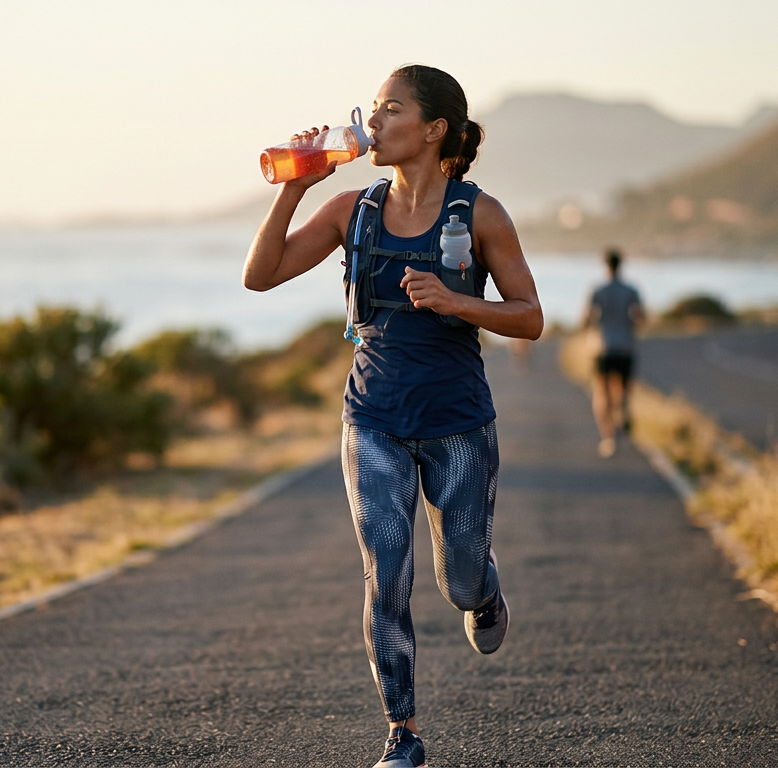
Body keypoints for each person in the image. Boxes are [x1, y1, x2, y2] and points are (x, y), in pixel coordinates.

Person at [242, 65, 543, 768]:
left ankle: (485, 590)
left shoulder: (481, 214)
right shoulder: (354, 209)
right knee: (387, 572)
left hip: (459, 422)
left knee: (458, 578)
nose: (372, 123)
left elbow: (529, 318)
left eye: (390, 111)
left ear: (434, 130)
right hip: (371, 417)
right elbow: (260, 275)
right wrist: (295, 187)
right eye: (372, 110)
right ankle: (403, 733)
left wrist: (455, 300)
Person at [583, 248, 644, 458]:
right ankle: (624, 410)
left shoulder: (598, 290)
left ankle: (608, 438)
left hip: (604, 346)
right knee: (623, 389)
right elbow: (640, 317)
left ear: (605, 265)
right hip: (626, 346)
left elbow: (587, 318)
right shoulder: (631, 290)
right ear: (621, 264)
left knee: (601, 394)